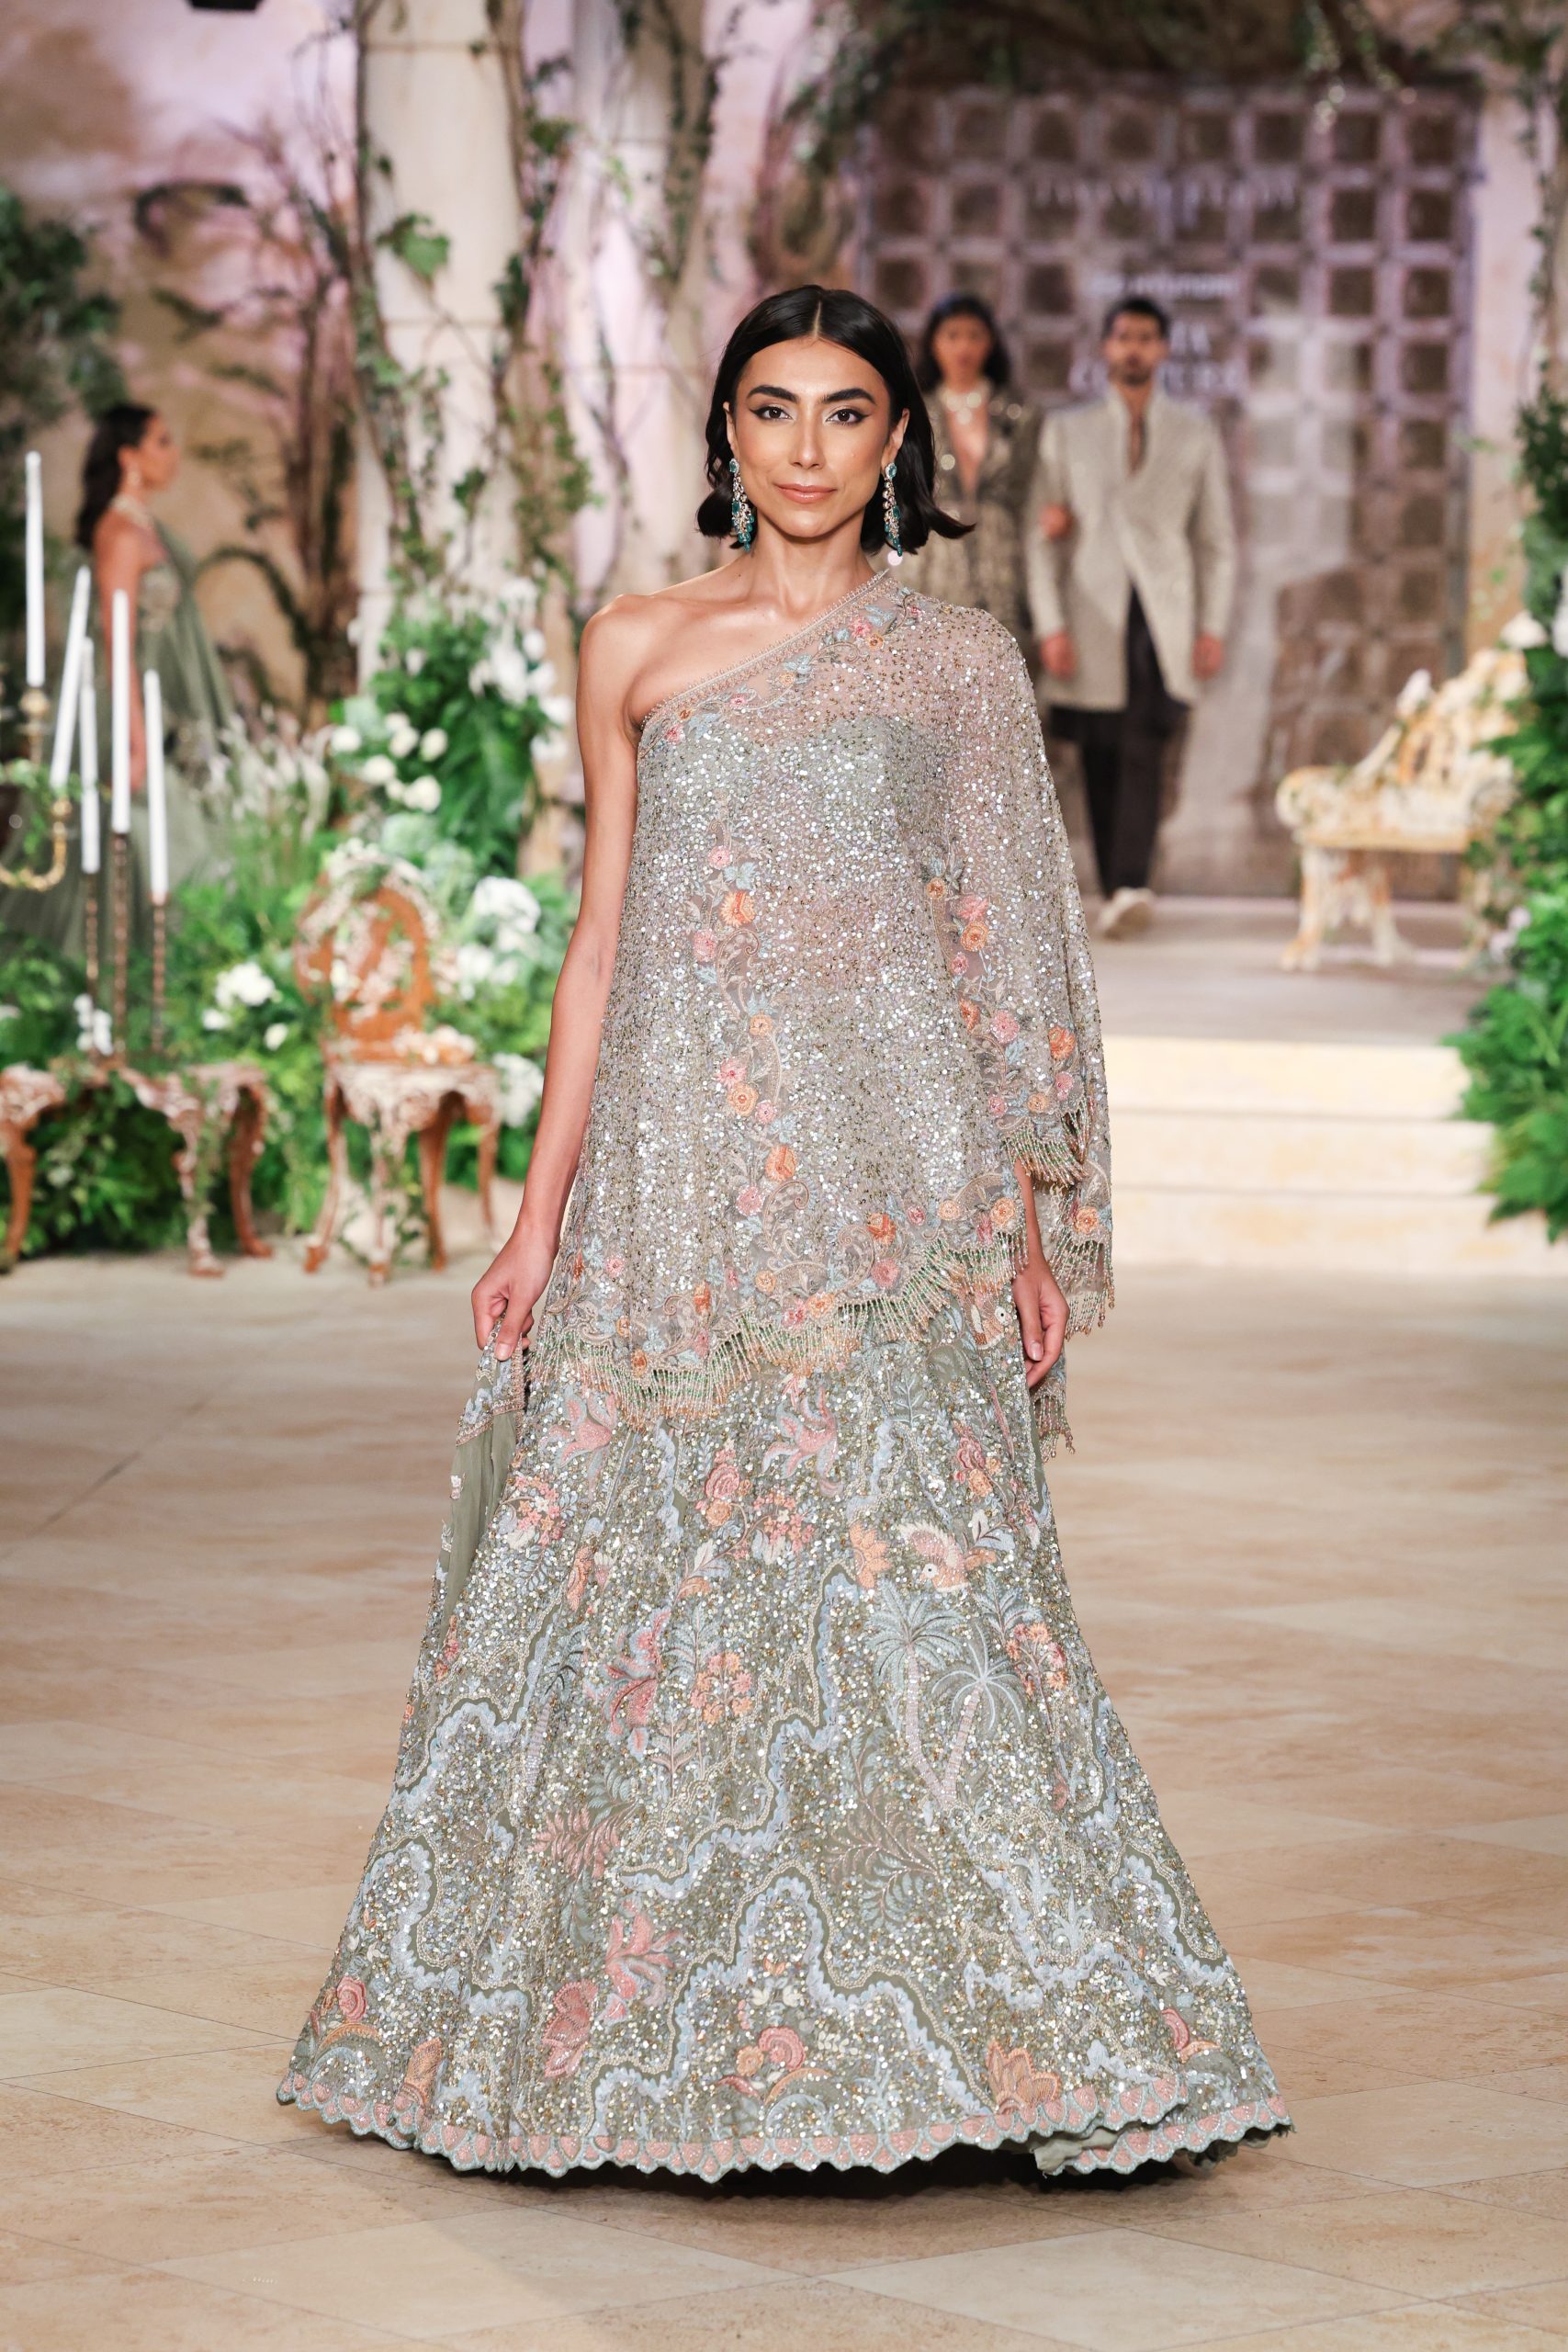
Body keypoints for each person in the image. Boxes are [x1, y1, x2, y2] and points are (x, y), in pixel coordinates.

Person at [278, 285, 1289, 2182]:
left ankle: (1014, 2024)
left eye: (844, 410)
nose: (806, 446)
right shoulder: (638, 642)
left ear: (900, 438)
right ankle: (630, 2030)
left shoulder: (956, 665)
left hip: (896, 1179)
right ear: (726, 434)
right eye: (771, 407)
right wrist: (535, 1212)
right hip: (675, 1182)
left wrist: (1024, 1219)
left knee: (926, 1591)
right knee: (650, 1596)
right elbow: (599, 945)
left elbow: (1003, 948)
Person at [1027, 297, 1235, 940]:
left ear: (1164, 349)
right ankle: (1117, 884)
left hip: (1164, 612)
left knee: (1146, 741)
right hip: (1092, 606)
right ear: (1106, 348)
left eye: (1146, 337)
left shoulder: (1194, 432)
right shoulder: (1069, 431)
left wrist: (1212, 625)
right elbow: (1040, 535)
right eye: (1123, 337)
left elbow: (1216, 541)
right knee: (1099, 747)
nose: (1134, 348)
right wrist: (1051, 623)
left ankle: (1130, 884)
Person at [4, 403, 231, 955]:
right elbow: (116, 639)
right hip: (131, 707)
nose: (173, 454)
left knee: (185, 842)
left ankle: (173, 975)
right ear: (128, 456)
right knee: (150, 843)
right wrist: (136, 738)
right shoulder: (120, 532)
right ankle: (123, 973)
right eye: (161, 441)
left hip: (168, 701)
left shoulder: (146, 526)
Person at [895, 291, 1041, 660]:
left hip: (1003, 560)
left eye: (974, 335)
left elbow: (1033, 490)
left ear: (990, 343)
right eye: (952, 335)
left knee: (1001, 669)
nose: (963, 347)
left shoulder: (1018, 413)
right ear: (933, 343)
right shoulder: (914, 413)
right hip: (931, 561)